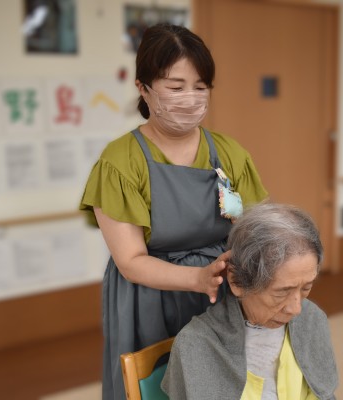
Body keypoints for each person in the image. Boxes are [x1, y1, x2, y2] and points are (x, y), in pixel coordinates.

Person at [79, 23, 268, 400]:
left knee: (224, 384)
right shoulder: (120, 163)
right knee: (157, 386)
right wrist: (197, 278)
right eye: (176, 87)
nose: (191, 99)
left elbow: (257, 229)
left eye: (200, 87)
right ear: (143, 87)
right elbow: (131, 261)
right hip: (149, 300)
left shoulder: (229, 153)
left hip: (221, 292)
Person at [162, 202, 339, 400]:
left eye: (306, 287)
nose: (296, 308)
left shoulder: (312, 318)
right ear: (236, 280)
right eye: (282, 292)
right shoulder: (197, 344)